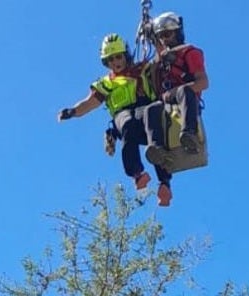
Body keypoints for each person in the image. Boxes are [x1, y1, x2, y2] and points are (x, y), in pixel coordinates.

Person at [58, 34, 169, 201]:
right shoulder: (106, 83)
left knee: (156, 134)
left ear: (125, 55)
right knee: (128, 123)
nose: (115, 62)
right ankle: (137, 174)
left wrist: (153, 36)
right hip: (123, 116)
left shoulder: (142, 69)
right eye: (110, 59)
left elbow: (163, 56)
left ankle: (165, 183)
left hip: (145, 111)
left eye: (118, 57)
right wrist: (73, 112)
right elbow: (90, 103)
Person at [147, 10, 209, 155]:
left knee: (183, 91)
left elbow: (203, 82)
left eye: (168, 35)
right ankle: (157, 148)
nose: (165, 40)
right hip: (167, 101)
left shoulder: (189, 52)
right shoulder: (161, 60)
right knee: (151, 109)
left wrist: (178, 90)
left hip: (186, 100)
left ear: (177, 33)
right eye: (161, 36)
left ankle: (189, 133)